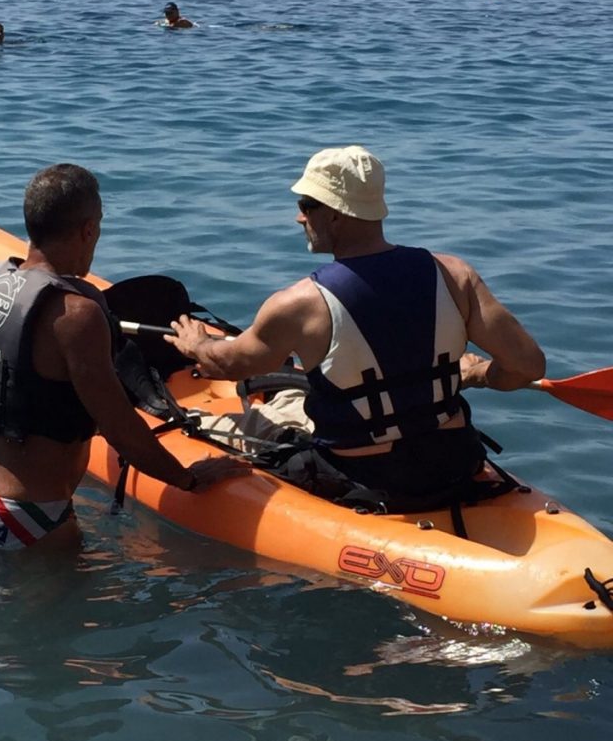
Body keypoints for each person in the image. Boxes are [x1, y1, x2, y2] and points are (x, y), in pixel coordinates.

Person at [166, 146, 546, 509]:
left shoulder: (299, 304)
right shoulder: (455, 276)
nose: (299, 217)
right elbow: (527, 367)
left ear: (334, 215)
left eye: (306, 206)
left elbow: (230, 366)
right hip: (454, 464)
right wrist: (477, 373)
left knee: (207, 422)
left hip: (360, 476)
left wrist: (196, 344)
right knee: (292, 402)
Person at [0, 163, 248, 550]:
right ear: (88, 229)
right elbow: (120, 428)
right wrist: (187, 479)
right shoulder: (78, 314)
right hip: (33, 516)